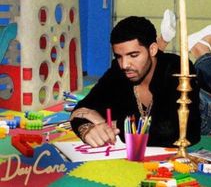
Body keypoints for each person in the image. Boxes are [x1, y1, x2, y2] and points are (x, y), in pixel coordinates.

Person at [70, 11, 201, 148]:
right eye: (119, 56)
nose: (125, 64)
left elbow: (180, 130)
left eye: (133, 55)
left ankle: (202, 48)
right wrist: (86, 129)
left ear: (152, 49)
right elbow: (82, 109)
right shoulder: (118, 71)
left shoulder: (177, 68)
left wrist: (110, 125)